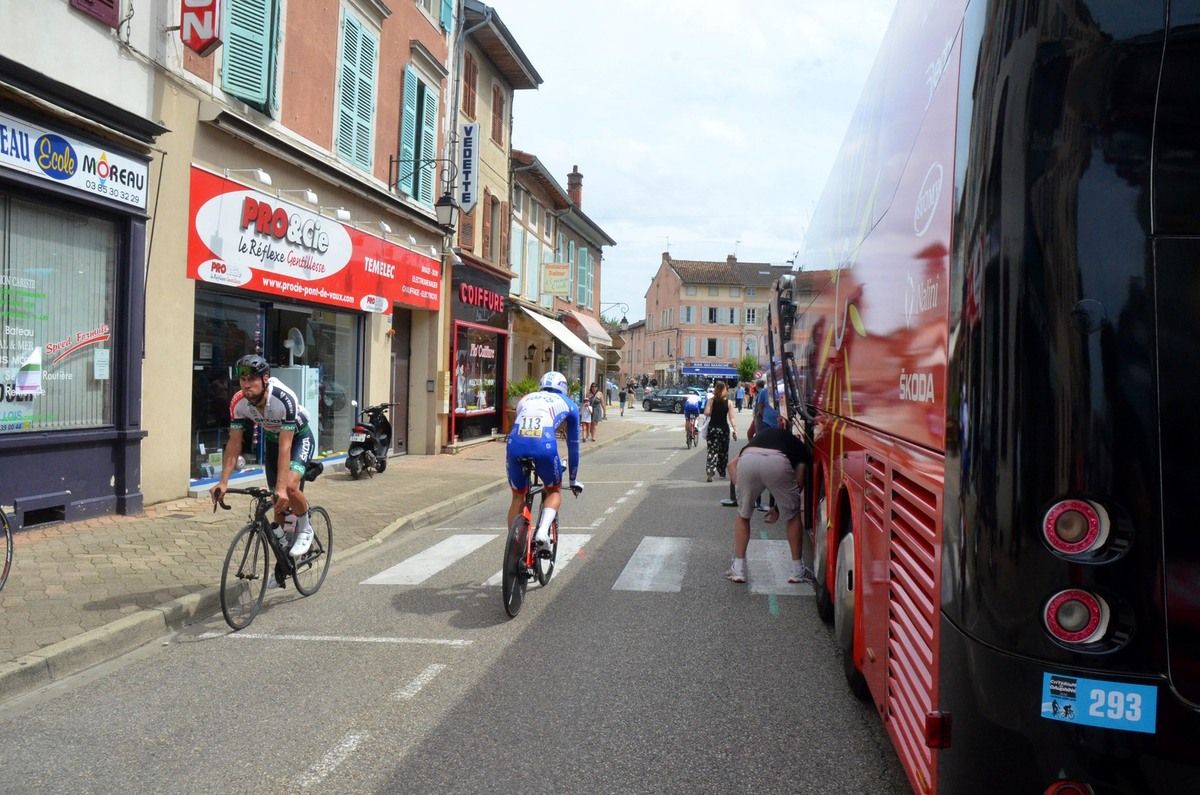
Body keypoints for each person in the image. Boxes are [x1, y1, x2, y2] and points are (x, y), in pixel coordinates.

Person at [211, 354, 317, 561]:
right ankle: (284, 565)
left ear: (265, 379)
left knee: (289, 488)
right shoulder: (238, 402)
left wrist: (282, 488)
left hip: (298, 438)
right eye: (243, 379)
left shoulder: (283, 398)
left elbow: (286, 447)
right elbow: (234, 443)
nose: (246, 384)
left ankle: (305, 528)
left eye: (252, 379)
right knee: (278, 504)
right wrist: (223, 482)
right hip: (272, 440)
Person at [725, 424, 812, 584]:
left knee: (743, 516)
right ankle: (797, 570)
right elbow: (798, 484)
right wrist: (779, 508)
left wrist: (743, 494)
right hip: (778, 462)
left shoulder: (756, 440)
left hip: (748, 460)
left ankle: (738, 569)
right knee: (793, 516)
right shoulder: (799, 447)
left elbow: (731, 465)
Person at [505, 371, 582, 553]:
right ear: (564, 388)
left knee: (518, 496)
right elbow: (574, 446)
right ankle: (542, 532)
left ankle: (514, 548)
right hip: (544, 445)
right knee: (554, 490)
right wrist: (573, 480)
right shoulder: (569, 404)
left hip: (515, 444)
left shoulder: (526, 398)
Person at [703, 381, 737, 482]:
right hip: (724, 430)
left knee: (712, 451)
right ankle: (722, 472)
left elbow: (706, 412)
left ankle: (710, 472)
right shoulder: (729, 403)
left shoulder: (711, 401)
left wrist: (713, 411)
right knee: (723, 452)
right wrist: (735, 429)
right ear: (724, 390)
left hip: (712, 429)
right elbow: (732, 417)